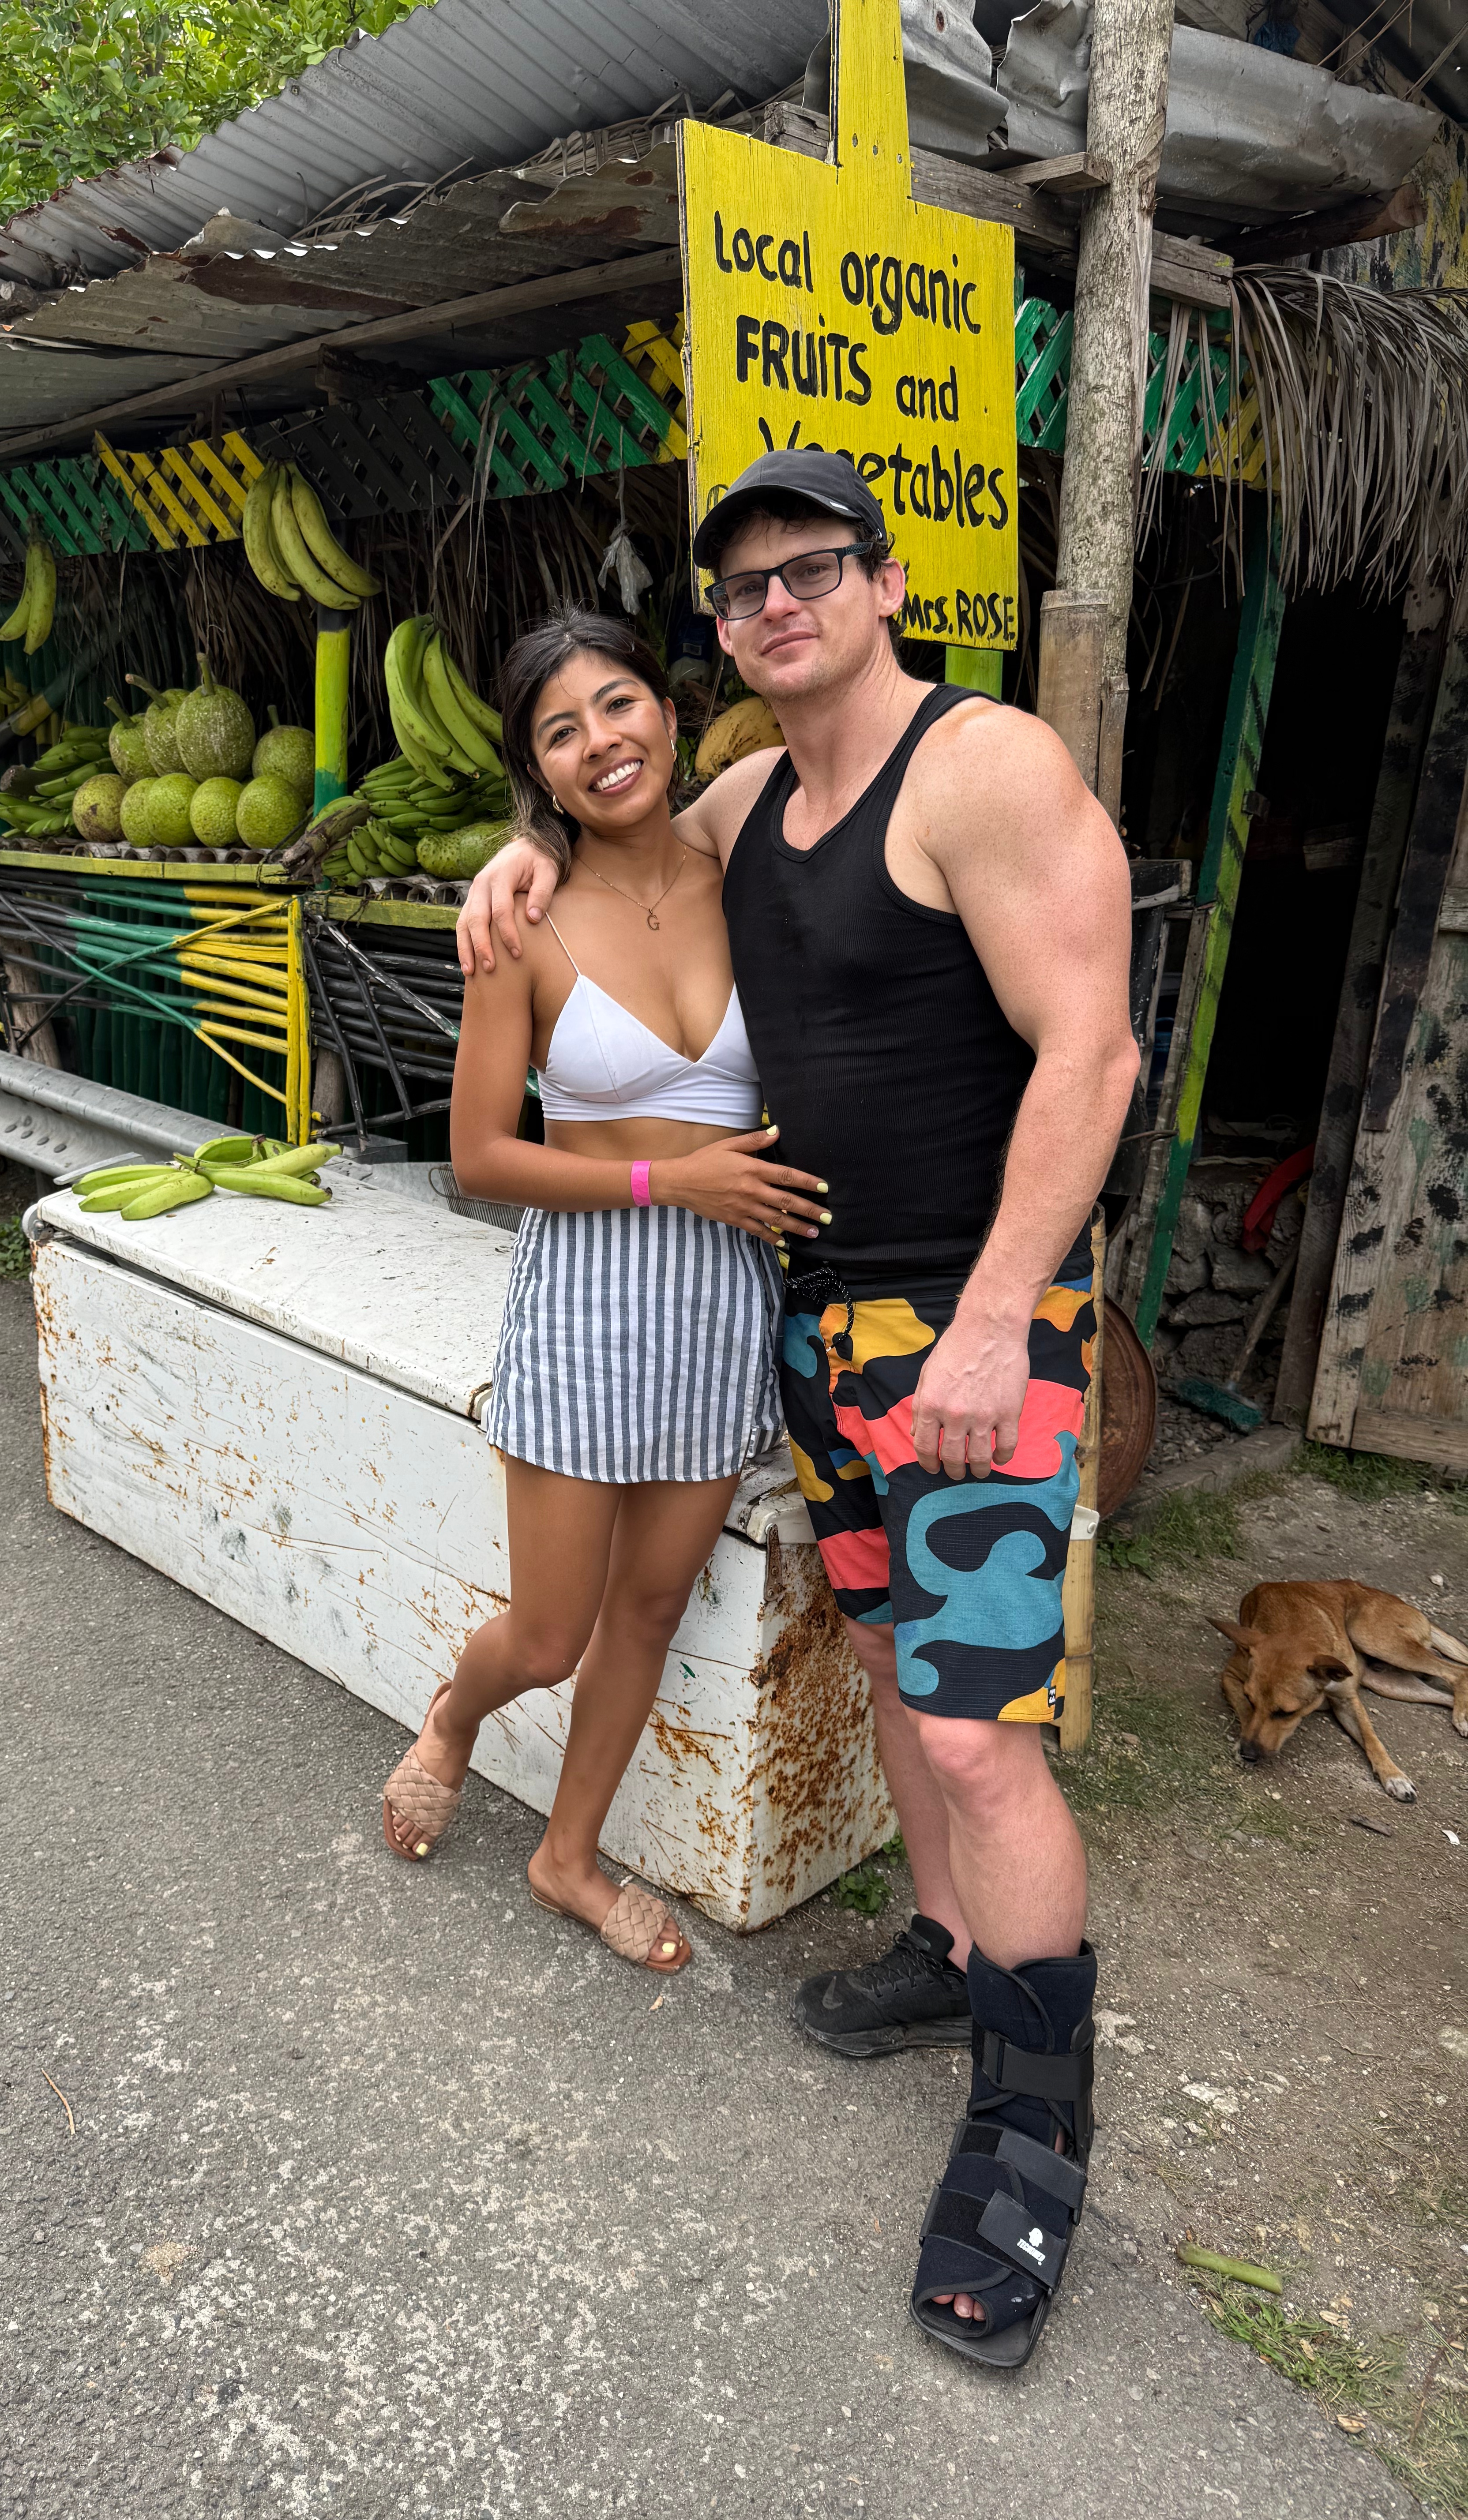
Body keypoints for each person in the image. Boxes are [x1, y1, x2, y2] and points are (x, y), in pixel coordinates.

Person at [456, 451, 1139, 2366]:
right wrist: (504, 863)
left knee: (985, 1733)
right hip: (816, 1324)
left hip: (971, 1330)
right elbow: (601, 843)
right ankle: (947, 1951)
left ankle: (1028, 2136)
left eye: (811, 570)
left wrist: (1002, 1317)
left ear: (888, 580)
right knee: (904, 1667)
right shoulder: (754, 793)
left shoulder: (984, 768)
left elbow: (1094, 1045)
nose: (777, 607)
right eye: (744, 591)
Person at [381, 607, 827, 1975]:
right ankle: (454, 1718)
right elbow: (474, 1158)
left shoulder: (754, 860)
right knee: (556, 1631)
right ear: (538, 769)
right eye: (560, 732)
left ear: (670, 710)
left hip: (719, 1307)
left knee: (648, 1612)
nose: (601, 744)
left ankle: (565, 1857)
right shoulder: (522, 917)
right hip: (585, 1295)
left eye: (617, 705)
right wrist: (664, 1181)